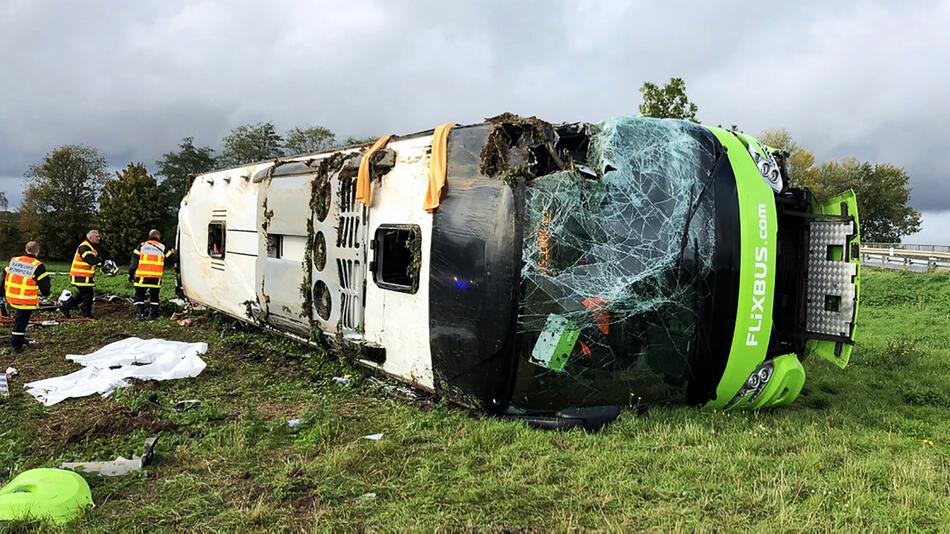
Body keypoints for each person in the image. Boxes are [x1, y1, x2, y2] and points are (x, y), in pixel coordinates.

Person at [1, 241, 51, 352]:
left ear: (25, 249)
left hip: (11, 297)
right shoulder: (38, 265)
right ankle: (16, 344)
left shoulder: (15, 261)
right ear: (37, 252)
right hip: (26, 300)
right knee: (21, 321)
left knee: (20, 320)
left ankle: (19, 338)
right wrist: (46, 294)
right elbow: (45, 286)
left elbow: (3, 276)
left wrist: (2, 293)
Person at [60, 230, 111, 319]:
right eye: (97, 237)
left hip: (83, 276)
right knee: (88, 295)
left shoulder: (91, 247)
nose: (99, 238)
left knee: (82, 295)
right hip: (80, 276)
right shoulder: (84, 247)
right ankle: (86, 314)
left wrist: (103, 261)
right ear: (90, 237)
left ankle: (66, 307)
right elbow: (90, 260)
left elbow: (97, 258)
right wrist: (101, 261)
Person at [129, 229, 175, 320]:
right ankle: (152, 315)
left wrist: (130, 273)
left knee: (139, 296)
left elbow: (134, 262)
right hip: (155, 278)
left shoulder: (142, 246)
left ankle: (139, 314)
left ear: (149, 236)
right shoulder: (163, 247)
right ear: (158, 237)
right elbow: (173, 259)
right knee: (154, 296)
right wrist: (174, 252)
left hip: (142, 276)